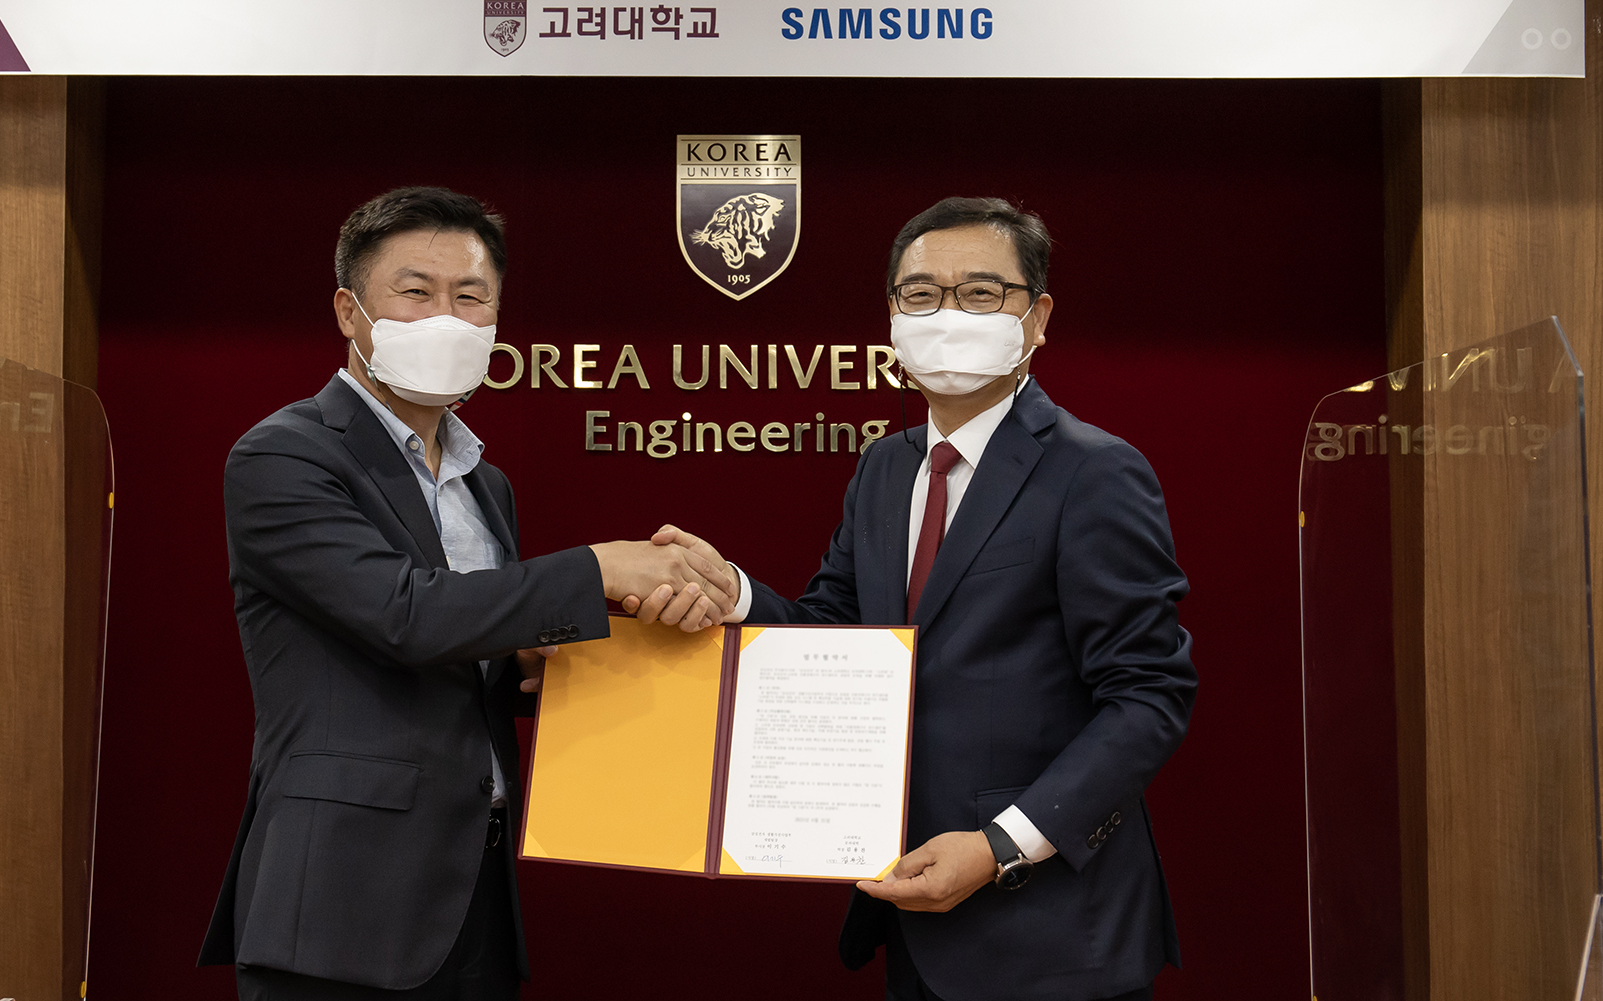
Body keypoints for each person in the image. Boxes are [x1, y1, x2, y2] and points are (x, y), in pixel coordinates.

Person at [198, 186, 736, 1000]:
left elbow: (469, 650)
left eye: (470, 297)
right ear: (349, 311)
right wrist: (600, 568)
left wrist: (543, 665)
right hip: (342, 898)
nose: (446, 318)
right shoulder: (283, 456)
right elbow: (405, 615)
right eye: (416, 292)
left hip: (473, 891)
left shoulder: (487, 484)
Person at [654, 197, 1197, 1001]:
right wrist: (733, 594)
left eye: (980, 293)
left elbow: (1149, 696)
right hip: (911, 910)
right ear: (892, 319)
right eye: (921, 294)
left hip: (1050, 930)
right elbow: (836, 635)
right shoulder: (886, 468)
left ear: (1038, 317)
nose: (947, 315)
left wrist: (1001, 846)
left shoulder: (1095, 471)